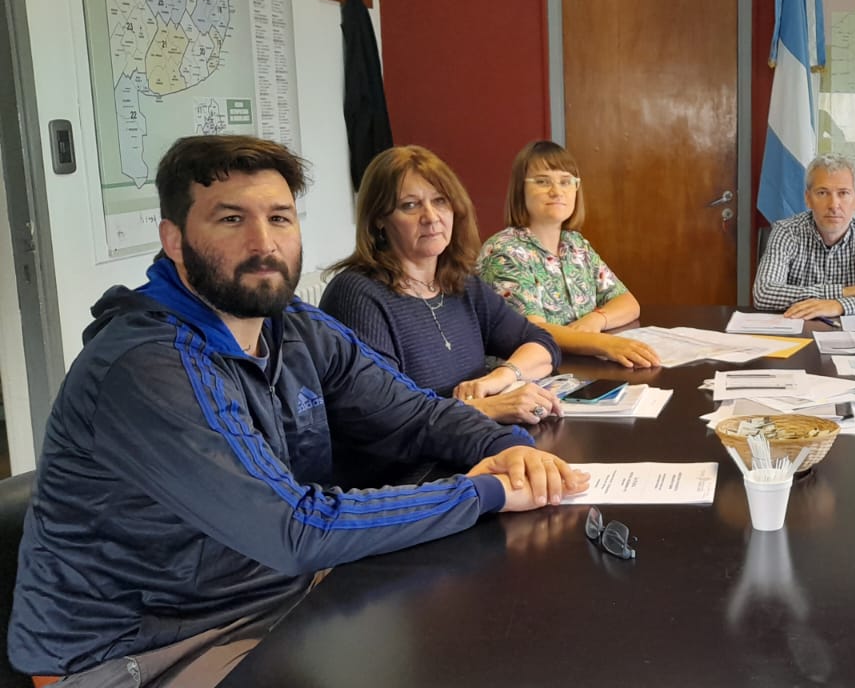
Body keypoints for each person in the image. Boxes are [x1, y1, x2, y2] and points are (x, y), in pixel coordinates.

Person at [8, 135, 589, 687]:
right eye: (231, 219)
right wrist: (482, 491)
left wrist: (508, 449)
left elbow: (417, 414)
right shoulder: (148, 364)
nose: (264, 243)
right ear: (175, 240)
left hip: (275, 595)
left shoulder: (292, 327)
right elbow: (295, 527)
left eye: (280, 218)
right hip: (144, 653)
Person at [321, 145, 564, 429]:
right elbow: (380, 414)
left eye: (440, 201)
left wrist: (500, 378)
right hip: (414, 456)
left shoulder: (461, 283)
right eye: (410, 205)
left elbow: (543, 344)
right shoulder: (356, 294)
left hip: (474, 440)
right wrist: (486, 409)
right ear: (379, 220)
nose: (431, 217)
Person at [477, 140, 660, 368]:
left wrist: (596, 319)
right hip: (526, 377)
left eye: (566, 182)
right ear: (519, 190)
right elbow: (532, 330)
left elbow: (628, 303)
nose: (556, 191)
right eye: (542, 181)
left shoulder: (575, 244)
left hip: (579, 369)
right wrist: (605, 343)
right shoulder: (504, 251)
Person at [752, 154, 855, 318]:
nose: (833, 205)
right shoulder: (787, 232)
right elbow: (763, 293)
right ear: (808, 199)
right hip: (800, 330)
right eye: (822, 193)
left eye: (843, 193)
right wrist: (844, 292)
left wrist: (840, 305)